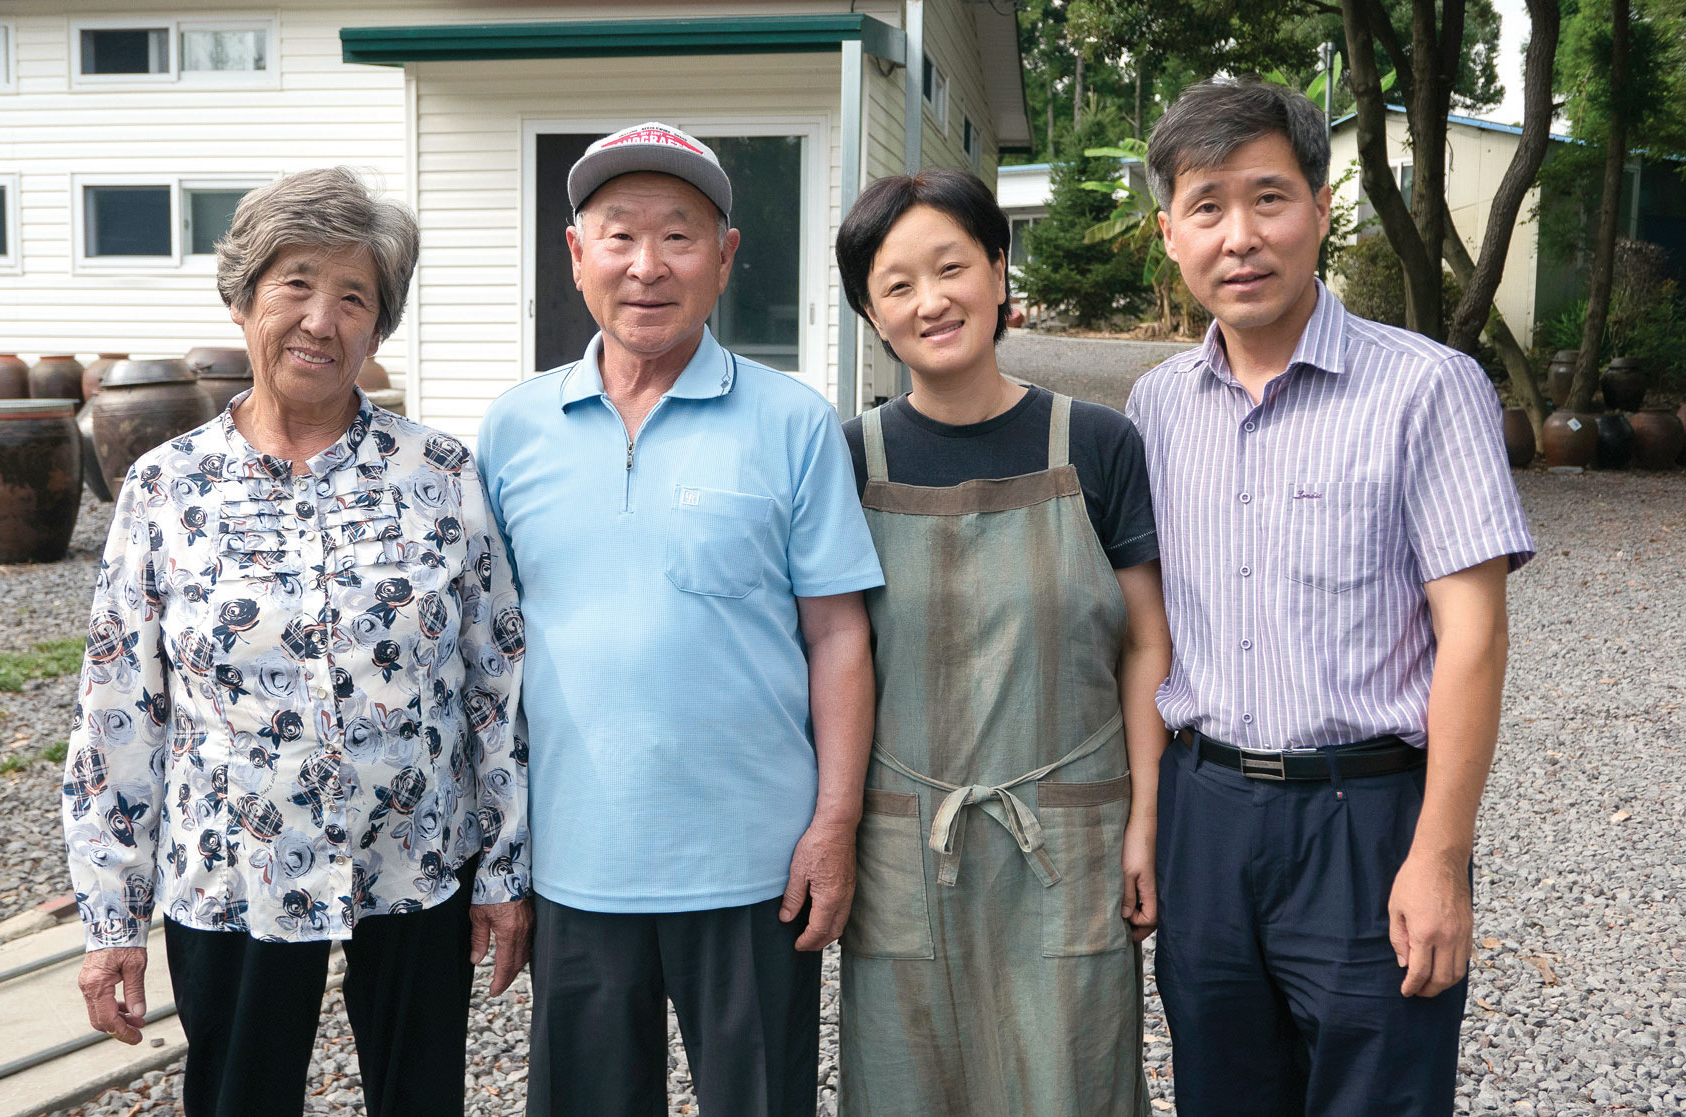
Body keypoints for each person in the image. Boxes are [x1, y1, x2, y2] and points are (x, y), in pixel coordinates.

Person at [61, 166, 530, 1117]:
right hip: (233, 866)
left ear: (378, 327)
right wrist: (112, 916)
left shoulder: (441, 475)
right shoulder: (165, 488)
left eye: (353, 296)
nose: (321, 319)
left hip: (417, 861)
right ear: (243, 299)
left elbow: (497, 680)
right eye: (296, 284)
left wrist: (506, 867)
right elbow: (119, 706)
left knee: (422, 1099)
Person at [1126, 77, 1536, 1116]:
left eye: (1267, 197)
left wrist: (1438, 857)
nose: (1238, 235)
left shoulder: (1427, 387)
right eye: (1205, 206)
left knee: (1376, 1092)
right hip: (1204, 816)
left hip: (1366, 819)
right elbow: (1146, 631)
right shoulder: (1154, 408)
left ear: (1318, 205)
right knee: (1222, 1091)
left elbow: (1472, 638)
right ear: (1168, 232)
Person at [475, 122, 883, 1117]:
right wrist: (497, 857)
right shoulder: (512, 428)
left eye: (679, 236)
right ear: (576, 255)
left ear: (725, 256)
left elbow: (837, 635)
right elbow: (490, 659)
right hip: (577, 866)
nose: (646, 267)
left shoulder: (790, 421)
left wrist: (833, 823)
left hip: (752, 867)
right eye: (618, 236)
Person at [831, 169, 1171, 1116]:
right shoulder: (847, 459)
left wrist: (1147, 816)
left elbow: (1148, 642)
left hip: (1070, 839)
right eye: (897, 284)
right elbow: (827, 653)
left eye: (952, 267)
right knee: (908, 1080)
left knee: (1075, 1078)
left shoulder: (1097, 444)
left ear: (997, 268)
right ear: (871, 311)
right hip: (905, 843)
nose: (932, 300)